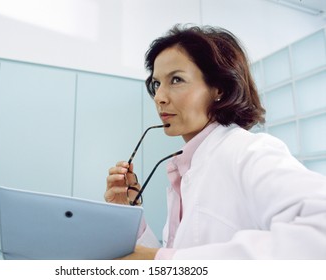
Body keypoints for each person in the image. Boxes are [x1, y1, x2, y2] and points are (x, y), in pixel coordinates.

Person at [105, 24, 326, 259]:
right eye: (157, 84)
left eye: (176, 80)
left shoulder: (248, 151)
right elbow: (171, 260)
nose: (159, 97)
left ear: (218, 88)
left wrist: (165, 260)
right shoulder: (186, 167)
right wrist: (129, 215)